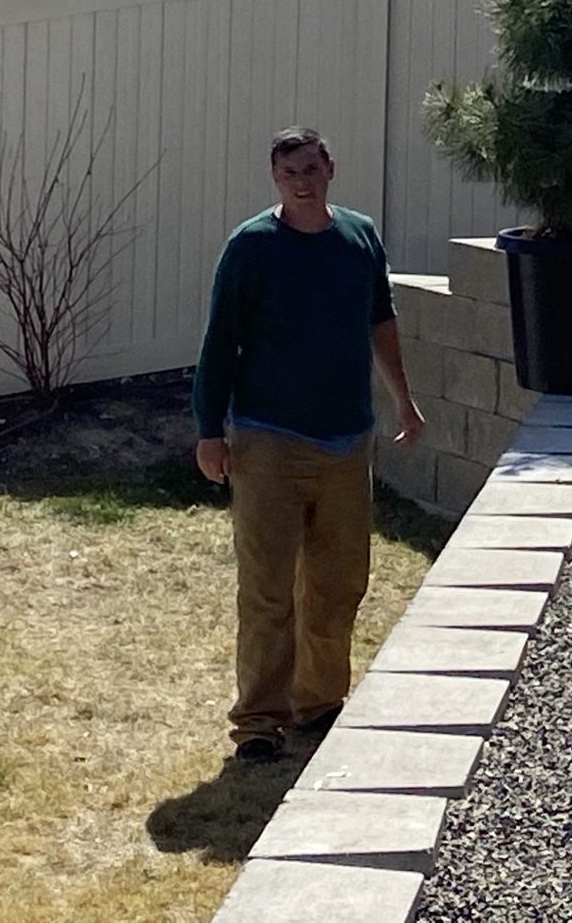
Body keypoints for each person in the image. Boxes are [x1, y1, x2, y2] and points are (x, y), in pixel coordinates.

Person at [190, 128, 425, 764]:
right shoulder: (251, 247)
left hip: (347, 442)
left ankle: (317, 704)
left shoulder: (359, 236)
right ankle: (258, 723)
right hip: (269, 440)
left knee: (339, 582)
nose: (302, 181)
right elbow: (220, 341)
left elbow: (381, 319)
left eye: (311, 169)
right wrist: (209, 429)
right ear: (276, 178)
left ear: (330, 169)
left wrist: (403, 400)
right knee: (268, 590)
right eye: (290, 172)